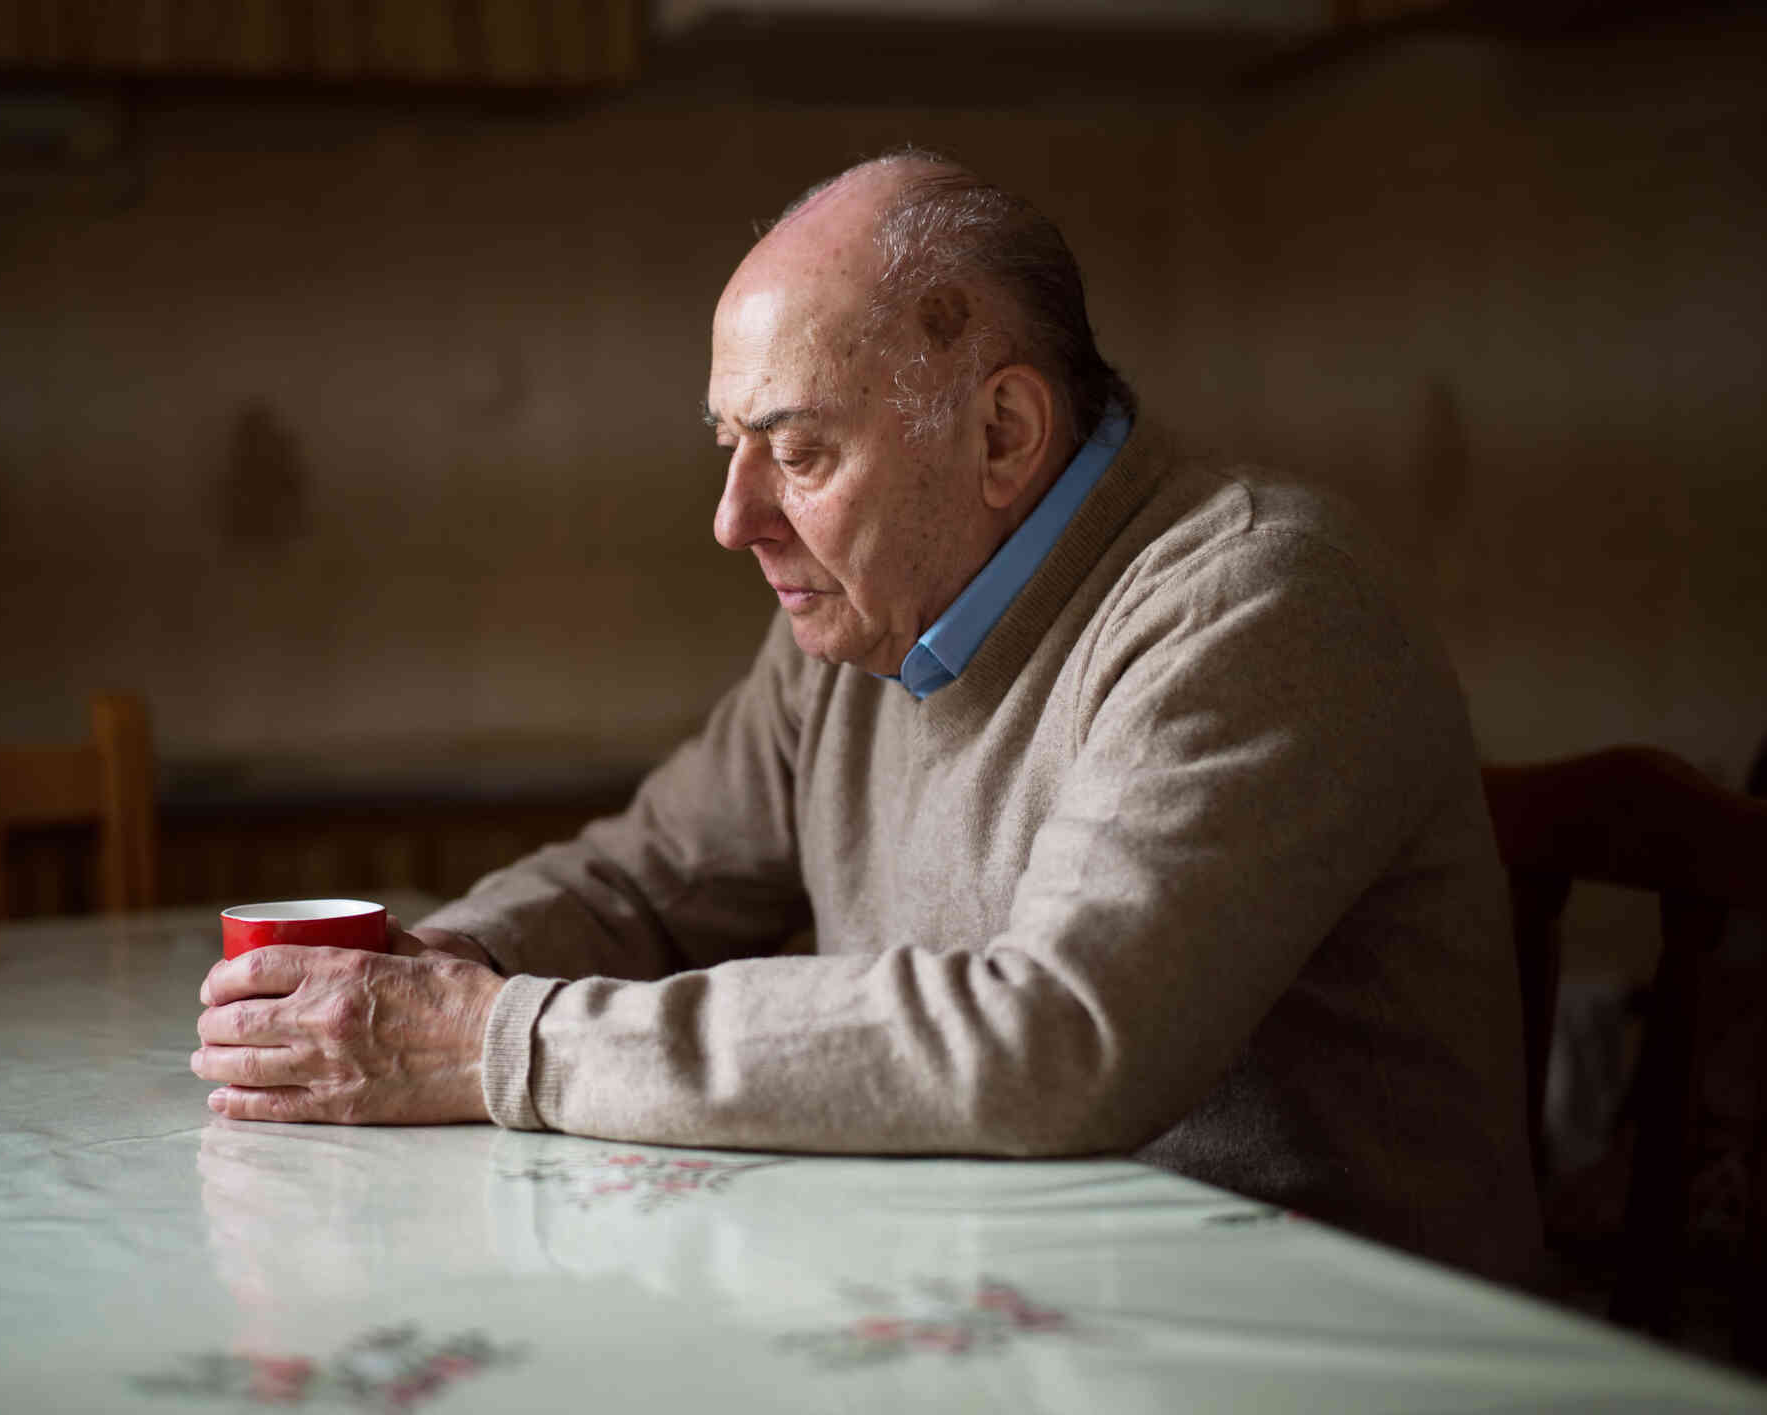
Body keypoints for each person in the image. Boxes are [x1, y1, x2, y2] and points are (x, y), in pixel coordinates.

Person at [193, 150, 1540, 1282]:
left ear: (1003, 433)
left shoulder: (1253, 600)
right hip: (998, 1296)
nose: (734, 519)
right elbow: (644, 881)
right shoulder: (861, 615)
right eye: (730, 446)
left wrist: (498, 1043)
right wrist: (420, 978)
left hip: (1305, 1342)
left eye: (798, 451)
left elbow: (1052, 1044)